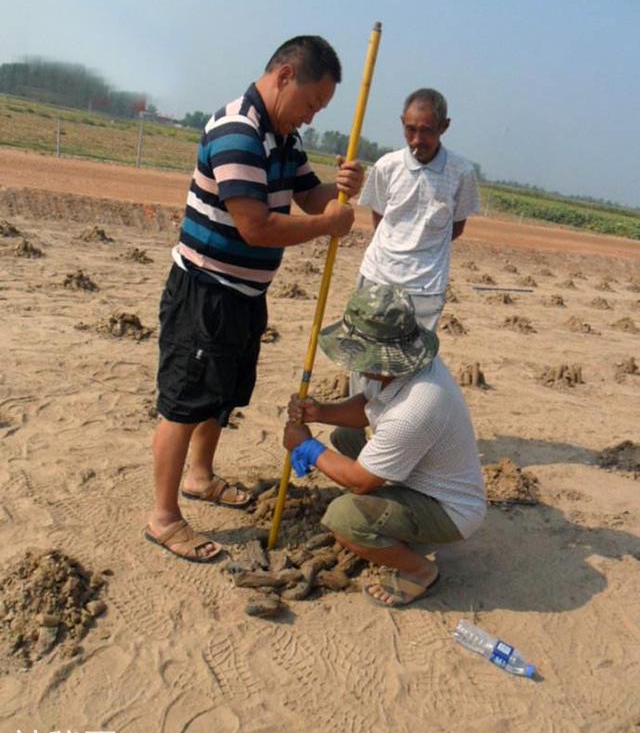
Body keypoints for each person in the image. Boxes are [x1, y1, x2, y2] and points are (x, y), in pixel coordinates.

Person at [145, 35, 364, 562]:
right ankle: (164, 517)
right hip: (205, 292)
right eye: (311, 103)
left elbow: (310, 196)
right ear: (285, 76)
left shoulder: (283, 138)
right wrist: (325, 225)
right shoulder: (237, 130)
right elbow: (255, 227)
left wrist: (341, 193)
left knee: (219, 394)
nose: (311, 117)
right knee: (183, 401)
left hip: (243, 295)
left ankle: (200, 478)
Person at [283, 284, 486, 608]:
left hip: (450, 510)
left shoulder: (415, 407)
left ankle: (421, 572)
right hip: (420, 479)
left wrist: (306, 447)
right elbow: (368, 405)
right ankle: (391, 520)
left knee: (345, 518)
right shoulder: (402, 368)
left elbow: (360, 481)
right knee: (344, 437)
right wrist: (320, 412)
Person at [357, 87, 480, 331]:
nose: (416, 140)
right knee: (366, 356)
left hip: (426, 288)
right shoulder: (386, 166)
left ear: (444, 127)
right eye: (410, 129)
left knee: (412, 362)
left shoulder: (462, 173)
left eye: (426, 131)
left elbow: (456, 228)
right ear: (402, 122)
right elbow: (379, 220)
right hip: (377, 276)